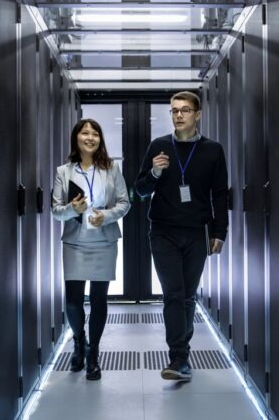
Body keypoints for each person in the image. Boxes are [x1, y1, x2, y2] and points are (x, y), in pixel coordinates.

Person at [134, 91, 229, 381]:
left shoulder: (213, 150)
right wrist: (155, 172)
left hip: (197, 233)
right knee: (174, 295)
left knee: (187, 296)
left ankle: (181, 354)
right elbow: (139, 190)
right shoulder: (159, 146)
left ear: (197, 115)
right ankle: (178, 358)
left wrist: (220, 232)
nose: (178, 115)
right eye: (175, 110)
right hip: (163, 232)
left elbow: (220, 195)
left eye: (185, 110)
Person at [52, 118, 130, 381]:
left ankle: (93, 354)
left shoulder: (111, 168)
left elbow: (124, 202)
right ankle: (79, 341)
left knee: (99, 300)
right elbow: (55, 211)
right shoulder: (64, 171)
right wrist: (72, 209)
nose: (90, 137)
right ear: (76, 138)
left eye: (95, 133)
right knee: (73, 302)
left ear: (100, 140)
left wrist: (106, 216)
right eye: (85, 133)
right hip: (75, 242)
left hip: (104, 242)